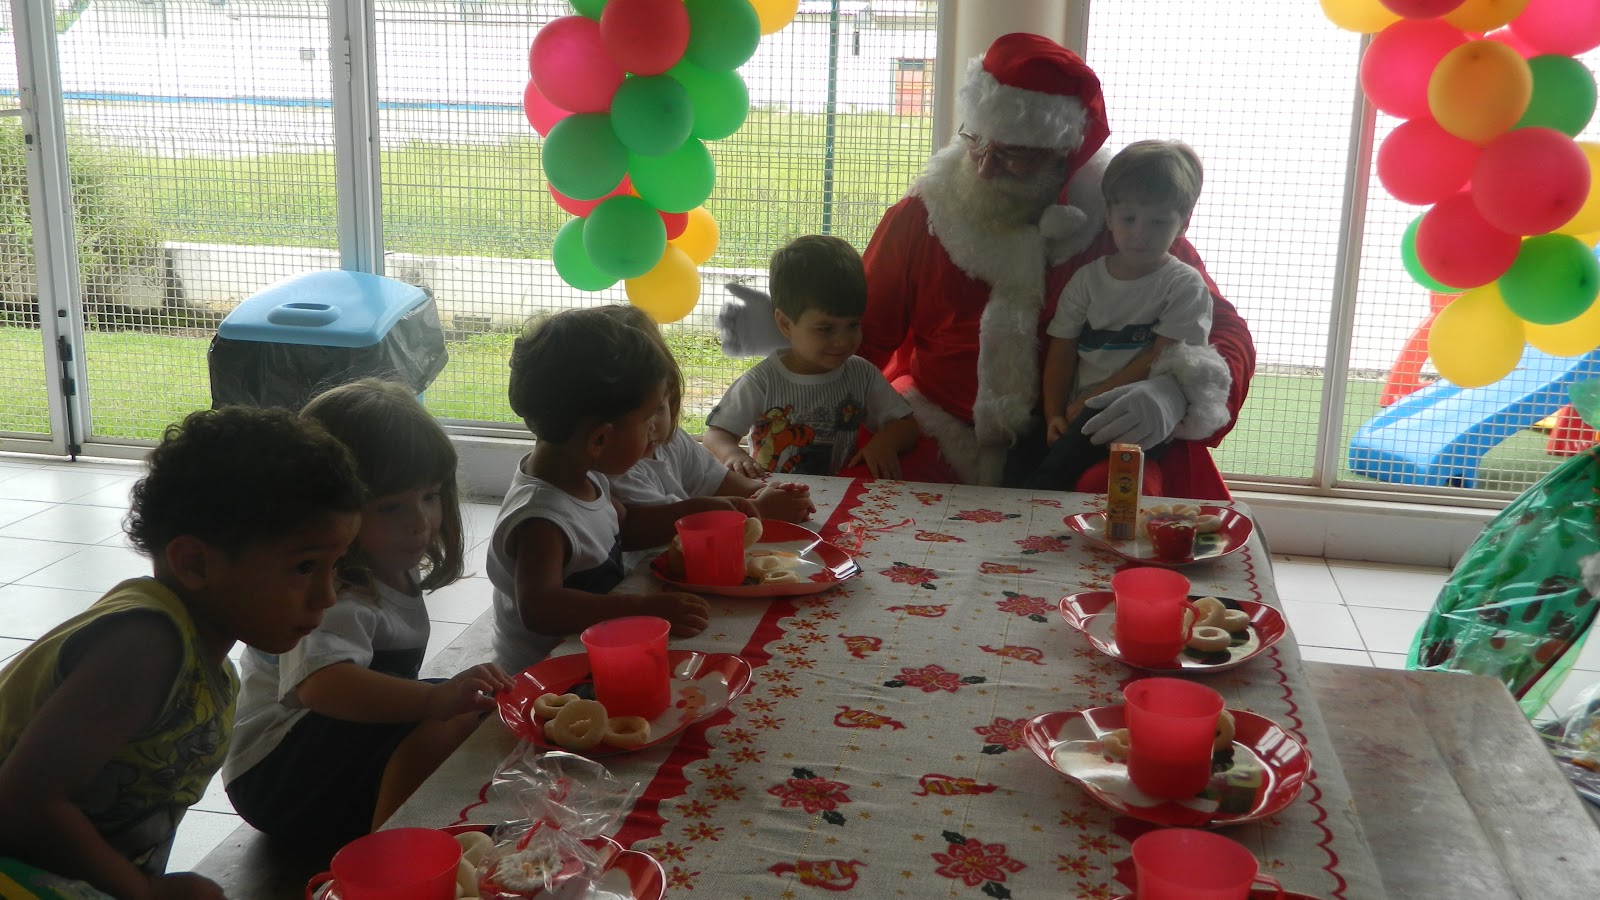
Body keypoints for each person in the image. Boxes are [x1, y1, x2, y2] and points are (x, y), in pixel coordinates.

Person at [719, 32, 1254, 497]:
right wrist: (791, 375)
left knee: (1121, 507)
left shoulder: (1118, 222)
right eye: (976, 140)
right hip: (936, 425)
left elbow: (1224, 331)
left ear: (1061, 154)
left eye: (1013, 153)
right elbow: (863, 332)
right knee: (862, 509)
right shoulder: (923, 216)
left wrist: (1174, 391)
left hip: (1078, 433)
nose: (984, 166)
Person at [0, 407, 365, 900]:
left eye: (335, 565)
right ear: (195, 564)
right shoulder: (145, 645)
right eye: (304, 567)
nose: (327, 595)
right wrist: (145, 891)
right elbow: (24, 802)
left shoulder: (202, 660)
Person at [223, 378, 514, 854]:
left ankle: (420, 822)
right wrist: (432, 702)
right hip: (277, 773)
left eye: (430, 496)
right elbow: (322, 685)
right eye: (391, 506)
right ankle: (389, 856)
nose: (419, 522)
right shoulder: (333, 593)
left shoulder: (386, 563)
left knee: (474, 709)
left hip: (324, 754)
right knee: (446, 718)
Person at [489, 308, 711, 674]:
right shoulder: (543, 519)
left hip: (598, 647)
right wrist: (642, 609)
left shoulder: (586, 478)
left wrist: (702, 511)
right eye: (647, 419)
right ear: (600, 439)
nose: (654, 430)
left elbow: (628, 526)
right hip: (551, 675)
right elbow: (541, 608)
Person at [1026, 140, 1222, 490]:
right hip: (1078, 412)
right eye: (1129, 218)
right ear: (1109, 216)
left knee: (1049, 478)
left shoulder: (1184, 285)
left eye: (1158, 222)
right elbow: (1062, 350)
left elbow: (1161, 355)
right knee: (1022, 454)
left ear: (1183, 223)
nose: (1140, 234)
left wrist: (1091, 400)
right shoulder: (1086, 280)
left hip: (1142, 419)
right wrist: (1054, 412)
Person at [597, 303, 816, 551]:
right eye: (632, 417)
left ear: (670, 392)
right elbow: (658, 526)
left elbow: (717, 481)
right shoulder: (612, 469)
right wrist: (758, 509)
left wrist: (770, 492)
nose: (651, 427)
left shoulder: (672, 440)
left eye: (658, 409)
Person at [704, 234, 921, 479]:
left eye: (853, 325)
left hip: (841, 493)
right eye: (825, 329)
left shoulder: (863, 374)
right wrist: (734, 455)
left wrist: (885, 443)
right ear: (785, 324)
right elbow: (717, 435)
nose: (842, 341)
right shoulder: (762, 381)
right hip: (774, 494)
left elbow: (906, 425)